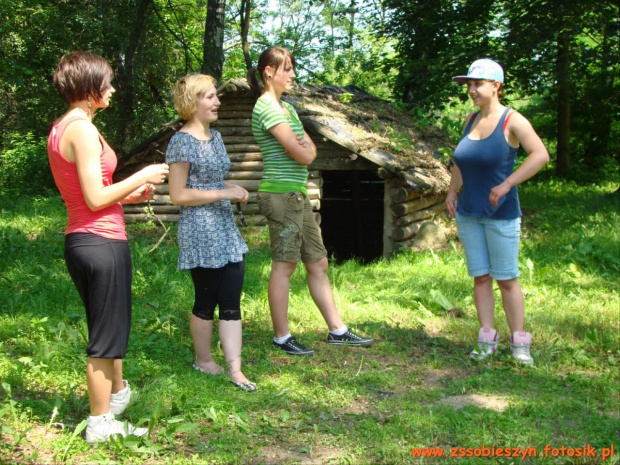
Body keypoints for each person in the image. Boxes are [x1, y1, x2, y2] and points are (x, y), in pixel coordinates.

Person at [47, 51, 169, 443]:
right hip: (100, 241)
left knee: (107, 327)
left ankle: (115, 399)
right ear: (88, 88)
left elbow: (86, 194)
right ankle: (101, 423)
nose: (112, 89)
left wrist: (129, 197)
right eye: (106, 83)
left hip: (84, 237)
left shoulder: (63, 127)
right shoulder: (80, 129)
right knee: (104, 337)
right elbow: (96, 197)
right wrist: (141, 175)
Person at [247, 46, 374, 356]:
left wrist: (303, 148)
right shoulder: (266, 108)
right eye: (287, 69)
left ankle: (337, 330)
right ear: (269, 72)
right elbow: (302, 152)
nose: (292, 74)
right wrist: (302, 148)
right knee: (285, 265)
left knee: (318, 262)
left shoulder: (287, 109)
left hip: (297, 194)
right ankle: (281, 336)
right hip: (279, 194)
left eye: (292, 68)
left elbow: (310, 150)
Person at [446, 58, 549, 365]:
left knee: (506, 279)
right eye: (469, 85)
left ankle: (519, 342)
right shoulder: (469, 119)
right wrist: (452, 191)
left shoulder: (512, 121)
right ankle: (486, 337)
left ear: (496, 86)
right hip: (468, 212)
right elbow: (461, 162)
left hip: (500, 214)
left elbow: (540, 155)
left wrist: (507, 184)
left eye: (477, 84)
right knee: (480, 277)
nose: (472, 90)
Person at [166, 74, 256, 391]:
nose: (217, 101)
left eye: (215, 96)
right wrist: (224, 194)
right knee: (206, 300)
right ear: (192, 103)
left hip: (224, 226)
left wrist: (233, 188)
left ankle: (235, 370)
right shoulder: (180, 141)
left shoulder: (215, 137)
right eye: (209, 97)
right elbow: (178, 194)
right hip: (199, 229)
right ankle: (204, 361)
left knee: (231, 297)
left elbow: (212, 183)